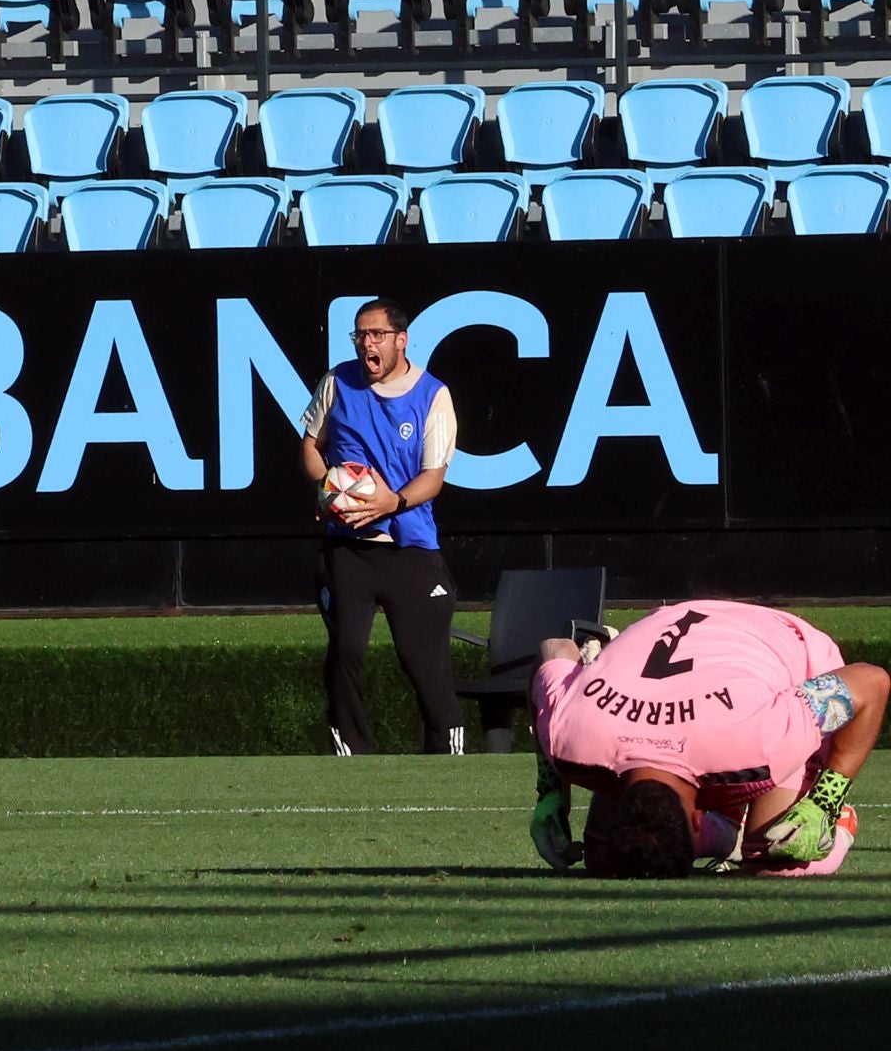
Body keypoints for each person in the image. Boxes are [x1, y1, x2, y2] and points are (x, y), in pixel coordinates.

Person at [529, 600, 888, 879]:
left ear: (699, 818)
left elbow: (870, 682)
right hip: (678, 636)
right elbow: (558, 649)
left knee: (779, 862)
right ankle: (731, 828)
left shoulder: (762, 744)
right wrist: (551, 793)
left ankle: (839, 820)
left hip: (774, 642)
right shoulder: (568, 742)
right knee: (605, 858)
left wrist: (825, 800)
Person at [299, 298, 464, 756]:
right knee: (348, 649)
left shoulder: (432, 395)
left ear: (400, 339)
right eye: (360, 335)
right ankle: (353, 752)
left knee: (422, 660)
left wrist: (393, 501)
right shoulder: (337, 382)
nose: (366, 344)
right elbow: (311, 445)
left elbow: (433, 477)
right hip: (350, 548)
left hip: (411, 547)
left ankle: (447, 755)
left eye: (376, 335)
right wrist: (325, 488)